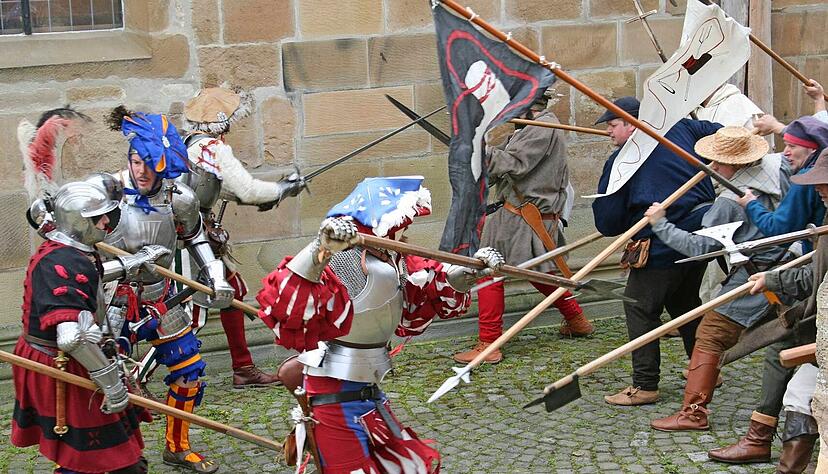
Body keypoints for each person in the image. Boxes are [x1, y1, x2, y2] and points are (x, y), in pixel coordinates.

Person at [256, 176, 504, 473]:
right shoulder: (344, 260)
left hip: (367, 390)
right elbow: (290, 294)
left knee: (402, 466)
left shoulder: (391, 259)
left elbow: (429, 284)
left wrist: (471, 271)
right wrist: (322, 247)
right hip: (333, 390)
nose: (406, 231)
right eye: (403, 225)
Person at [102, 107, 234, 473]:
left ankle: (177, 446)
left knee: (188, 370)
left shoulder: (180, 197)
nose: (141, 172)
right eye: (136, 162)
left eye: (149, 164)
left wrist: (217, 276)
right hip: (112, 300)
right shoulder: (107, 193)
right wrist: (130, 263)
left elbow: (196, 238)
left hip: (160, 296)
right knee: (111, 381)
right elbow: (83, 256)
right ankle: (121, 458)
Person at [644, 126, 791, 432]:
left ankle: (693, 413)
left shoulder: (730, 200)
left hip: (757, 277)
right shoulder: (781, 170)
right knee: (794, 336)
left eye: (718, 161)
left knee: (712, 333)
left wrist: (661, 224)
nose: (712, 166)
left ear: (732, 164)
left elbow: (701, 248)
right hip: (795, 268)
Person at [710, 116, 828, 464]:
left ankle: (758, 439)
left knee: (785, 355)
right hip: (812, 290)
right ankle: (761, 440)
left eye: (824, 185)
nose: (818, 190)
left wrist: (752, 206)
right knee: (789, 362)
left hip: (815, 300)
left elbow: (784, 233)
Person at [592, 96, 721, 406]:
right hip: (702, 234)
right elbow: (721, 131)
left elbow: (608, 221)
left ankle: (645, 385)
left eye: (612, 125)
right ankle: (706, 372)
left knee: (639, 307)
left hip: (664, 245)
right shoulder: (682, 127)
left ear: (632, 124)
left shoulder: (623, 162)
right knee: (684, 304)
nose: (608, 132)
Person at [453, 91, 591, 365]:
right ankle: (577, 320)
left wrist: (477, 148)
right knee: (538, 272)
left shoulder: (541, 128)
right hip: (521, 213)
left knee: (488, 271)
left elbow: (513, 164)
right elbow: (499, 168)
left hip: (522, 216)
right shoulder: (529, 128)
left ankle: (489, 344)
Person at [180, 86, 305, 387]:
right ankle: (149, 375)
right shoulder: (214, 148)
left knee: (233, 290)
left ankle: (243, 367)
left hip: (196, 230)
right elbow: (246, 190)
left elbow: (218, 188)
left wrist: (269, 194)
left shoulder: (189, 144)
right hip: (190, 237)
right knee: (190, 311)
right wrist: (282, 189)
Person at [737, 148, 828, 469]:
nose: (818, 189)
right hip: (822, 328)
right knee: (800, 395)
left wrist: (774, 279)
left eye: (824, 183)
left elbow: (814, 277)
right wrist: (773, 279)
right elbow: (817, 274)